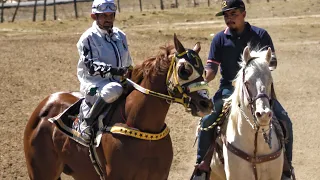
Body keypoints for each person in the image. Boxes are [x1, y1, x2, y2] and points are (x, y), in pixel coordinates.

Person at [194, 0, 293, 178]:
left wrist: (262, 61)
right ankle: (202, 166)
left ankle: (286, 168)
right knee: (207, 120)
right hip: (228, 89)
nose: (229, 19)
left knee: (285, 121)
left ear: (244, 14)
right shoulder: (219, 39)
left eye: (233, 14)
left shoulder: (261, 35)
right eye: (226, 15)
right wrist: (201, 78)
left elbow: (272, 64)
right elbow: (211, 70)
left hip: (259, 88)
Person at [77, 0, 133, 142]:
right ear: (94, 16)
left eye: (111, 15)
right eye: (103, 16)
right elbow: (91, 66)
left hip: (119, 80)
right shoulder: (88, 38)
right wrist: (117, 71)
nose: (108, 19)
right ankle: (87, 122)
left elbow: (128, 60)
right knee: (113, 89)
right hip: (94, 84)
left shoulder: (121, 36)